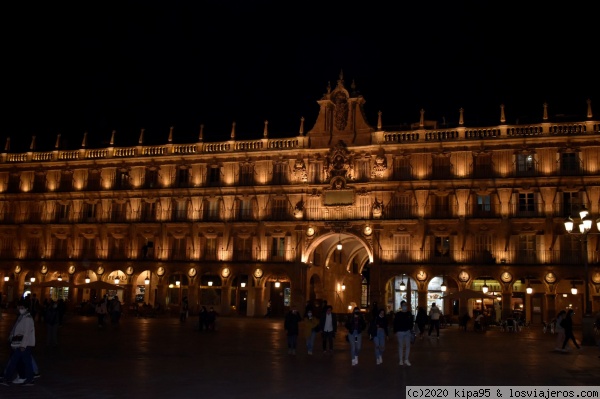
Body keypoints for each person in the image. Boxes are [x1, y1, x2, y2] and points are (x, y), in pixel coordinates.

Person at [0, 300, 36, 386]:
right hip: (21, 343)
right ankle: (29, 379)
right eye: (19, 307)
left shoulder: (27, 318)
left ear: (26, 308)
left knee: (14, 361)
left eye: (22, 307)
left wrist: (23, 345)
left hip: (22, 344)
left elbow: (27, 333)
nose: (20, 309)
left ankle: (7, 378)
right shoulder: (22, 316)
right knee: (26, 362)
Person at [393, 300, 414, 366]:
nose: (405, 306)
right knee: (401, 346)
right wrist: (396, 331)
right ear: (401, 306)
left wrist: (411, 329)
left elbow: (411, 322)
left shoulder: (409, 313)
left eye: (406, 305)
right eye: (404, 305)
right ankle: (401, 360)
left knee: (408, 346)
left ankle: (406, 359)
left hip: (407, 331)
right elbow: (395, 323)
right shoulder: (398, 314)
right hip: (400, 332)